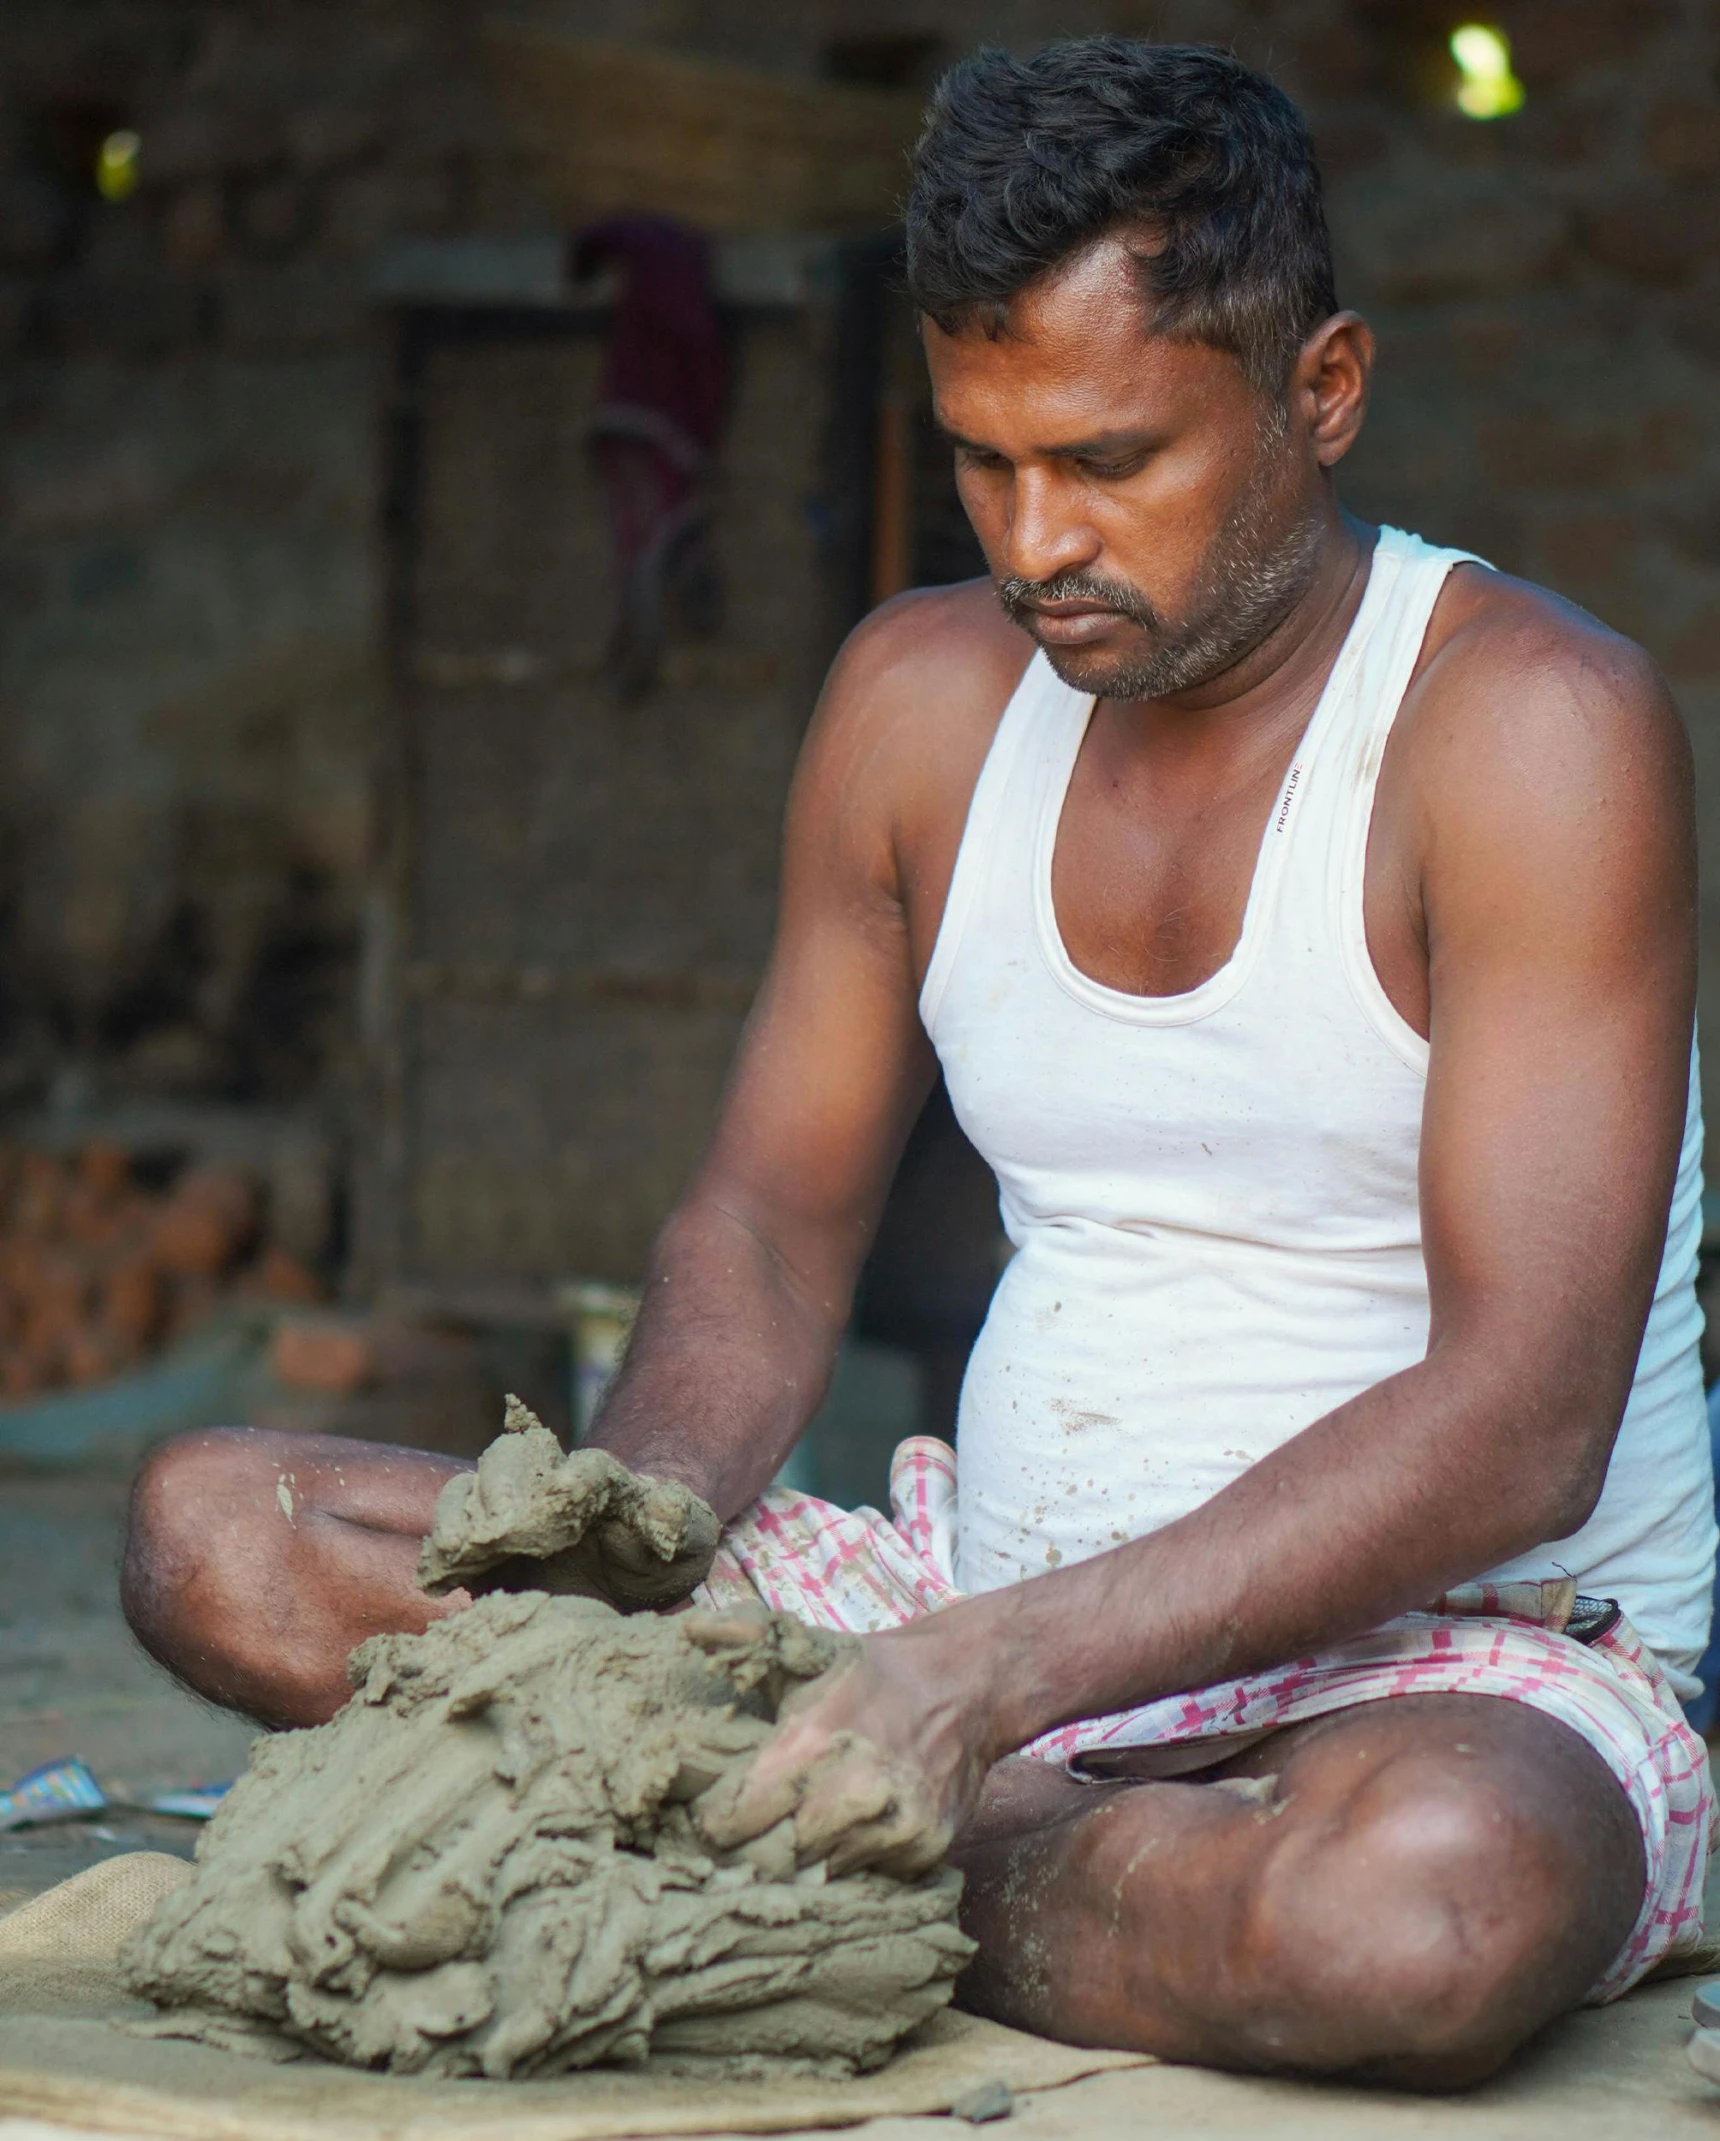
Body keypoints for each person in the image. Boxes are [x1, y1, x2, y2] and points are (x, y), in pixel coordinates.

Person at [121, 38, 1716, 2089]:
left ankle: (806, 1846)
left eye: (1111, 457)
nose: (1036, 536)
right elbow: (768, 1237)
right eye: (983, 458)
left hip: (1444, 1656)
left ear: (1320, 390)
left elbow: (1522, 1419)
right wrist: (637, 1532)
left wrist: (987, 1676)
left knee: (1411, 1917)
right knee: (214, 1528)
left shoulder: (1525, 734)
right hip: (952, 1601)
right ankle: (977, 1849)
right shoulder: (915, 702)